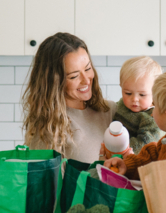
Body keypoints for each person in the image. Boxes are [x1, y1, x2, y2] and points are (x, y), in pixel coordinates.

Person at [22, 32, 117, 163]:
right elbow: (45, 182)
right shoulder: (48, 129)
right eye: (74, 76)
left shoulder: (110, 110)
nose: (86, 80)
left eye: (88, 68)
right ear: (54, 82)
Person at [111, 56, 164, 154]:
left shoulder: (152, 117)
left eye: (142, 95)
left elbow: (145, 143)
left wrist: (117, 148)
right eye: (128, 93)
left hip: (135, 159)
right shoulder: (122, 104)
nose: (134, 99)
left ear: (155, 92)